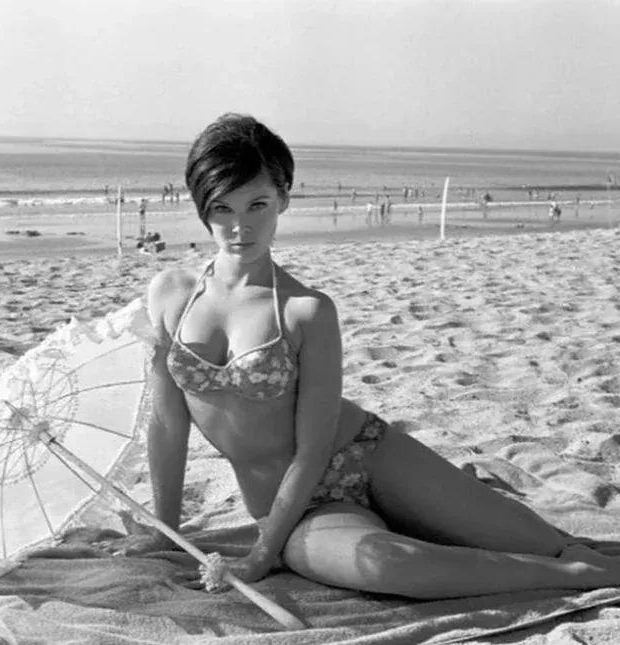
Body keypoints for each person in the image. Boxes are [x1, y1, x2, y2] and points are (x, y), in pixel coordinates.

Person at [110, 113, 620, 599]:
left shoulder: (305, 310)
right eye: (222, 208)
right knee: (386, 566)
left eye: (256, 205)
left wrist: (261, 557)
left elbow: (313, 450)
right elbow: (167, 423)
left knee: (546, 539)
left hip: (370, 455)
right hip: (295, 508)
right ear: (202, 206)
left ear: (283, 197)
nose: (239, 226)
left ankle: (563, 559)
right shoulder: (172, 294)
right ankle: (569, 577)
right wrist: (166, 529)